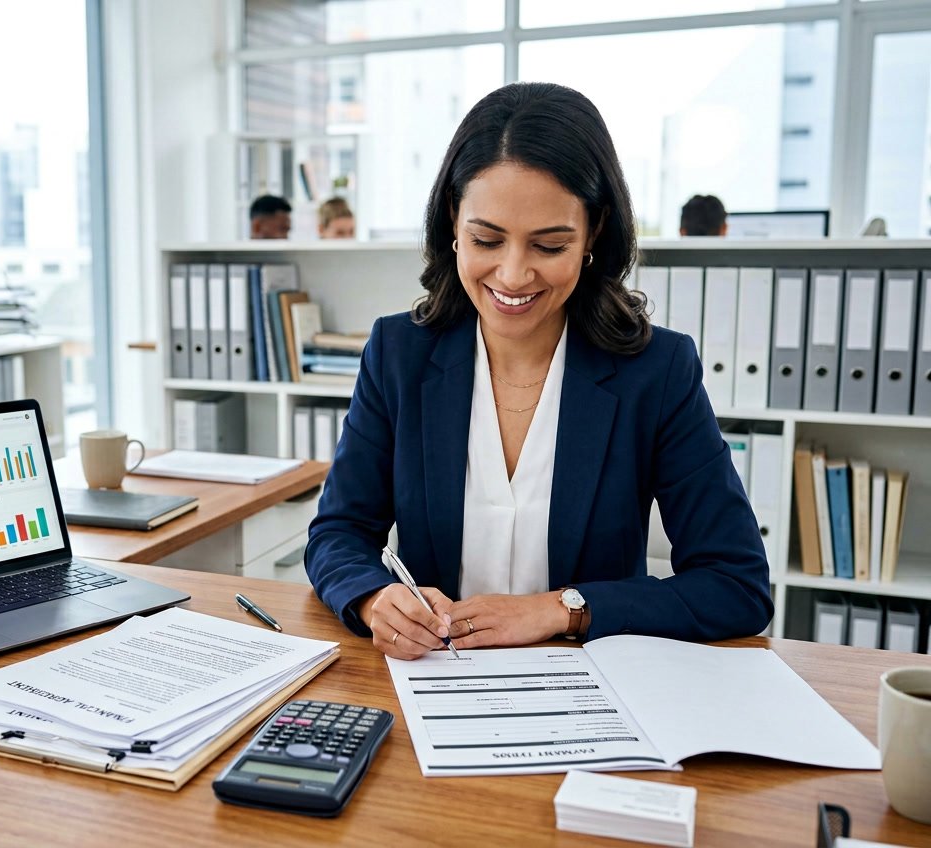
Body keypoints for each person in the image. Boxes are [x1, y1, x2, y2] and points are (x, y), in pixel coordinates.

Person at [305, 82, 772, 660]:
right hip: (435, 682)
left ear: (593, 235)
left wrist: (562, 609)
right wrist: (374, 598)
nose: (513, 274)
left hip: (595, 696)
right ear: (454, 221)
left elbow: (736, 583)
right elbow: (337, 535)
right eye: (487, 239)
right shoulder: (398, 354)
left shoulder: (656, 372)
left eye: (549, 245)